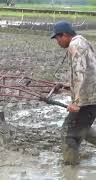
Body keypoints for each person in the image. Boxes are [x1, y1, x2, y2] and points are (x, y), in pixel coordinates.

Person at [51, 21, 96, 165]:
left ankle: (70, 169)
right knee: (82, 128)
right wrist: (67, 85)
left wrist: (75, 102)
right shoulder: (82, 41)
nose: (57, 42)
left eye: (57, 38)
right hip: (91, 96)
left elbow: (80, 74)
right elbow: (89, 71)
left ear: (64, 35)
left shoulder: (75, 45)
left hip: (87, 100)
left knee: (68, 133)